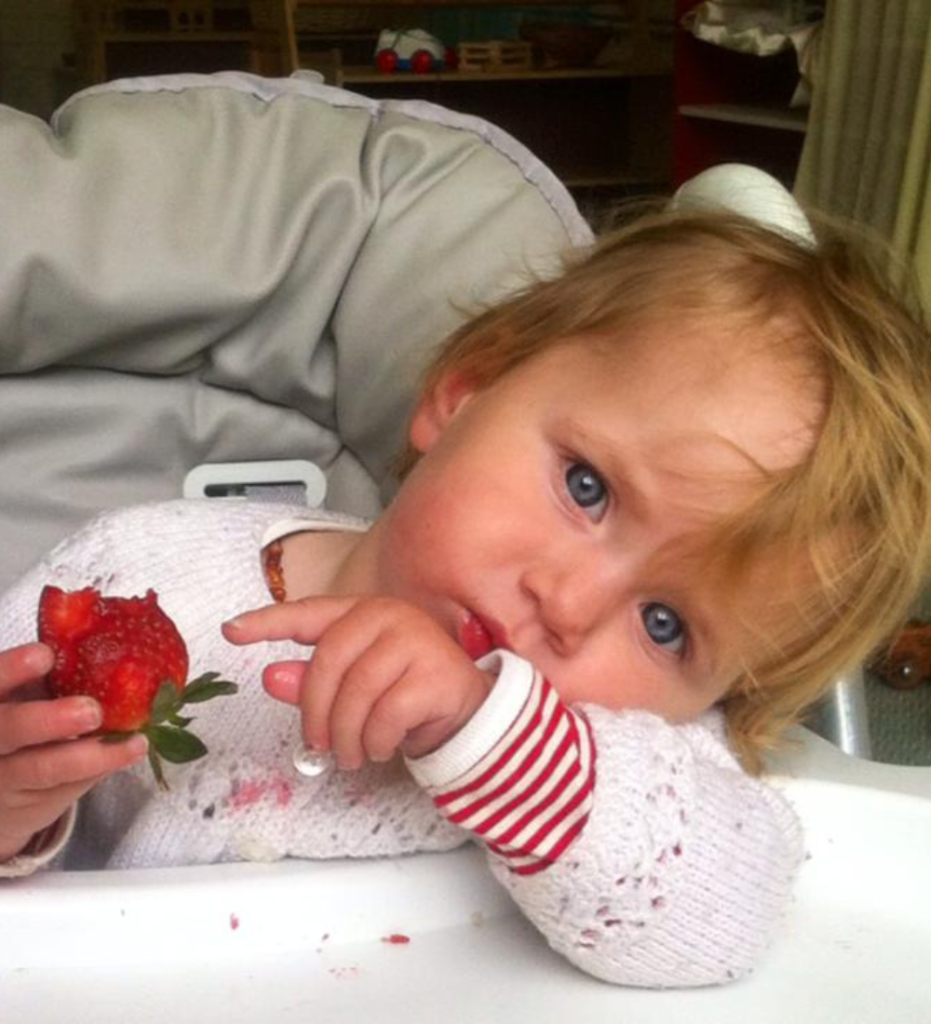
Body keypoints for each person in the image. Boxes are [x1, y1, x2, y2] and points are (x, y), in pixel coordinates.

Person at [1, 204, 930, 989]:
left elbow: (733, 912)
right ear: (464, 391)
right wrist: (17, 819)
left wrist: (491, 735)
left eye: (665, 626)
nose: (565, 606)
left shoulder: (641, 764)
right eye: (587, 489)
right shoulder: (138, 573)